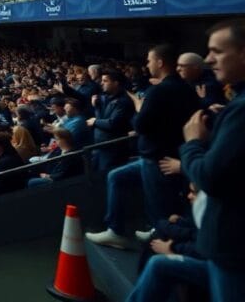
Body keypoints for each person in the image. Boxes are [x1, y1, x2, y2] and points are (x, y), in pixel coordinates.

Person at [88, 44, 200, 250]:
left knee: (161, 212)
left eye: (149, 60)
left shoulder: (159, 91)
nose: (147, 64)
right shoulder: (184, 88)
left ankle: (162, 251)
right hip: (166, 156)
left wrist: (140, 106)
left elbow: (139, 125)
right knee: (116, 177)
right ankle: (116, 230)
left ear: (160, 62)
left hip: (157, 160)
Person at [180, 20, 245, 301]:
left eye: (217, 51)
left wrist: (192, 141)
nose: (209, 59)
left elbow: (210, 177)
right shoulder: (235, 107)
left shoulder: (240, 111)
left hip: (234, 248)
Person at [86, 69, 134, 172]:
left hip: (113, 149)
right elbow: (101, 119)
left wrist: (95, 122)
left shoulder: (123, 101)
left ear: (116, 83)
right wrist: (96, 107)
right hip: (99, 145)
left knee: (107, 176)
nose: (101, 83)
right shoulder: (104, 98)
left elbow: (112, 124)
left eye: (105, 81)